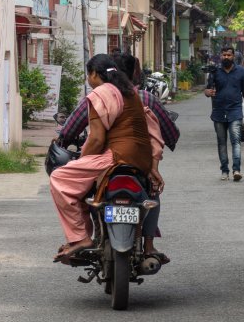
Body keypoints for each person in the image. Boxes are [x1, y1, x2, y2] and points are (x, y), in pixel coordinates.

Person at [59, 53, 179, 263]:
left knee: (67, 181)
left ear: (96, 74)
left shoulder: (101, 95)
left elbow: (87, 135)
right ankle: (149, 245)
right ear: (134, 73)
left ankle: (81, 237)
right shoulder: (143, 98)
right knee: (152, 192)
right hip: (142, 160)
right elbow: (164, 135)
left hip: (114, 157)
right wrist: (153, 165)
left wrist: (71, 150)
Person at [204, 46, 244, 181]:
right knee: (221, 142)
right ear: (221, 56)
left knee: (236, 141)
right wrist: (208, 92)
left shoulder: (241, 72)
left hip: (235, 111)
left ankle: (236, 169)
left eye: (228, 55)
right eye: (224, 55)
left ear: (233, 56)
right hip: (218, 112)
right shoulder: (214, 72)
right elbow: (207, 90)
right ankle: (224, 170)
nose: (226, 57)